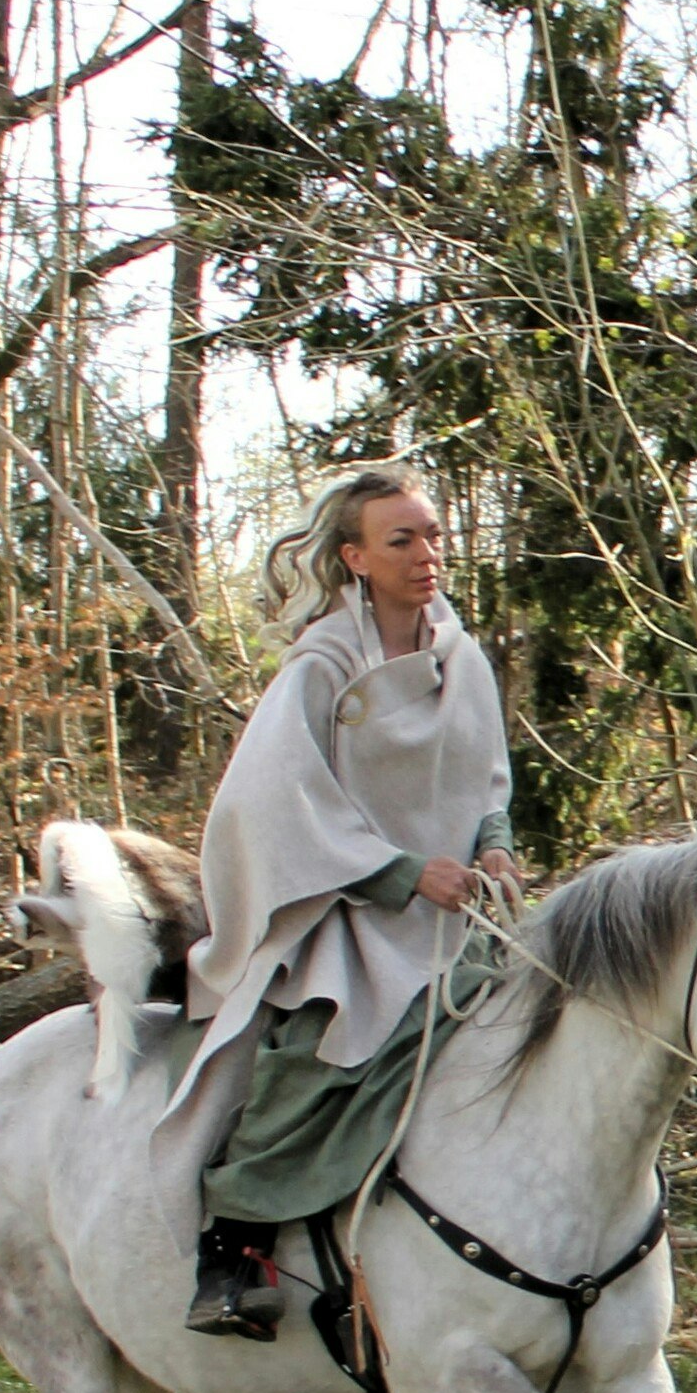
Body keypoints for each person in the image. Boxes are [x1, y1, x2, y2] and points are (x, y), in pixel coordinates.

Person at [170, 465, 520, 1339]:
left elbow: (483, 776)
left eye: (433, 534)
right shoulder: (321, 666)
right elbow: (272, 805)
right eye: (402, 540)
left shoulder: (460, 656)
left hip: (456, 916)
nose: (427, 554)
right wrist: (400, 874)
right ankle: (236, 1243)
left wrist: (495, 843)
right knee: (320, 1050)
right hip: (345, 908)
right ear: (356, 557)